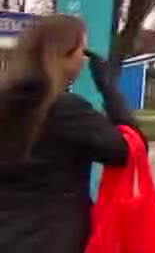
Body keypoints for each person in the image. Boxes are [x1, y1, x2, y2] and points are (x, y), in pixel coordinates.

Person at [0, 15, 139, 253]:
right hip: (55, 239)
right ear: (64, 55)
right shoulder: (64, 109)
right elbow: (129, 149)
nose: (83, 61)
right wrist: (109, 89)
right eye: (81, 51)